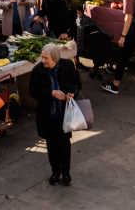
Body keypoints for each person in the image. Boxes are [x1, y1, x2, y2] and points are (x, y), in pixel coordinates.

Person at [29, 43, 81, 186]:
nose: (43, 60)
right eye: (43, 57)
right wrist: (50, 93)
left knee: (64, 144)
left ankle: (66, 173)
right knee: (51, 145)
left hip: (65, 114)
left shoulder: (67, 66)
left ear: (55, 58)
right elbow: (33, 91)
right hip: (48, 116)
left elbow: (77, 83)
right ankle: (55, 172)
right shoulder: (38, 70)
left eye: (46, 58)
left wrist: (73, 93)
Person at [75, 7, 114, 80]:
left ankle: (98, 67)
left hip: (93, 39)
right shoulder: (81, 21)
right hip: (94, 39)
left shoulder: (84, 20)